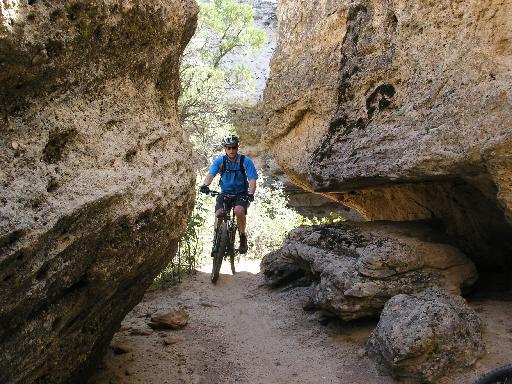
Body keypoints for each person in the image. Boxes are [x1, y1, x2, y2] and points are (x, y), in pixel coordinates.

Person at [200, 135, 258, 254]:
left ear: (237, 148)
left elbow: (252, 179)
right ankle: (216, 238)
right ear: (225, 149)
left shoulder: (245, 161)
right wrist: (205, 185)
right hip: (225, 193)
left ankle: (242, 237)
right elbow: (211, 174)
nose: (231, 150)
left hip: (241, 194)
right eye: (229, 148)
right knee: (219, 214)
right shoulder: (220, 161)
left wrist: (250, 193)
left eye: (234, 147)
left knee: (239, 211)